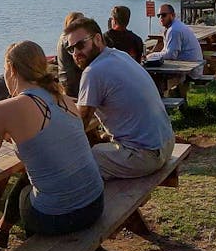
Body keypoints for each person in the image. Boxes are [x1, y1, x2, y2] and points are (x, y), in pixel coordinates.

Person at [0, 41, 104, 248]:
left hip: (60, 216)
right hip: (95, 204)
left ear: (12, 70)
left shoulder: (2, 110)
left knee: (26, 190)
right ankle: (0, 231)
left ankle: (2, 232)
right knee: (38, 176)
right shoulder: (64, 98)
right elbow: (41, 143)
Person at [64, 17, 176, 179]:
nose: (76, 53)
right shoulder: (120, 55)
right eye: (71, 49)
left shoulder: (93, 71)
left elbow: (79, 125)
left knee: (75, 162)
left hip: (146, 156)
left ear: (97, 38)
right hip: (166, 143)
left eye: (80, 45)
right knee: (98, 142)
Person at [146, 4, 203, 78]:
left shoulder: (174, 30)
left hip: (191, 71)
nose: (161, 18)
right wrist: (153, 54)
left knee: (153, 73)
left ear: (172, 15)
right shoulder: (175, 26)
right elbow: (166, 51)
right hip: (192, 66)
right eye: (159, 15)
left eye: (164, 15)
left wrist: (151, 55)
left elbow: (171, 55)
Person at [55, 11, 85, 97]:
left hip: (65, 77)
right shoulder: (69, 39)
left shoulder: (64, 36)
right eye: (81, 22)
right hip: (71, 79)